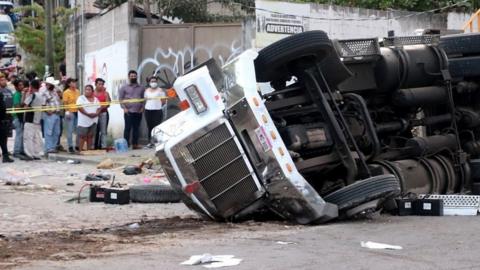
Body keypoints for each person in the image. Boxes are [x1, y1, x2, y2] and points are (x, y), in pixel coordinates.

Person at [118, 70, 145, 149]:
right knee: (127, 128)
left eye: (134, 76)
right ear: (129, 77)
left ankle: (135, 144)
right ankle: (125, 145)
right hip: (128, 111)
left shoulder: (141, 87)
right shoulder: (124, 87)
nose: (133, 77)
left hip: (138, 111)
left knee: (136, 128)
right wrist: (124, 108)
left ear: (136, 77)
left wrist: (142, 107)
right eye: (131, 76)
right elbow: (120, 99)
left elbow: (144, 98)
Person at [23, 80, 44, 160]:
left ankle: (29, 154)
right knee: (36, 138)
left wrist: (26, 93)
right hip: (37, 119)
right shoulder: (41, 95)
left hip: (30, 119)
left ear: (31, 86)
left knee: (28, 137)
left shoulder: (32, 95)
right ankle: (36, 153)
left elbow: (25, 105)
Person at [76, 85, 101, 151]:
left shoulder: (96, 99)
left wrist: (96, 113)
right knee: (82, 136)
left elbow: (99, 108)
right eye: (86, 89)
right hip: (84, 121)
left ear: (92, 91)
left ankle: (88, 150)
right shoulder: (81, 98)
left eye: (89, 89)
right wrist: (87, 114)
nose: (87, 91)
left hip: (93, 120)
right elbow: (79, 107)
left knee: (90, 136)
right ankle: (80, 150)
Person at [143, 76, 166, 148]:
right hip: (148, 110)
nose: (153, 83)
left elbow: (163, 101)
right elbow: (145, 100)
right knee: (150, 126)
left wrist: (157, 105)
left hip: (157, 110)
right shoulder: (146, 91)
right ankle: (150, 142)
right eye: (152, 81)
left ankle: (157, 142)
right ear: (149, 82)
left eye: (155, 81)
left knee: (157, 127)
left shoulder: (160, 90)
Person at [41, 77, 61, 154]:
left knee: (57, 132)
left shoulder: (55, 92)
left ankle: (53, 146)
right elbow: (43, 105)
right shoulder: (44, 93)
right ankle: (49, 147)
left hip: (57, 113)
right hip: (50, 114)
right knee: (49, 131)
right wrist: (47, 111)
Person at [11, 79, 30, 160]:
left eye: (22, 85)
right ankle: (16, 151)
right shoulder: (16, 95)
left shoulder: (21, 93)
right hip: (17, 117)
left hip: (21, 117)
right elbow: (18, 107)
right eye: (20, 85)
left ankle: (21, 150)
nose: (22, 86)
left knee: (21, 134)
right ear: (16, 87)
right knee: (19, 135)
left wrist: (24, 94)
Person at [63, 78, 80, 153]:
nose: (74, 84)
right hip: (70, 112)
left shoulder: (77, 91)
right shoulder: (66, 92)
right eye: (73, 82)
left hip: (77, 112)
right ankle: (70, 146)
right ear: (69, 84)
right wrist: (67, 112)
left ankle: (77, 145)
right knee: (69, 130)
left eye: (75, 82)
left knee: (78, 130)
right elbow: (65, 103)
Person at [0, 90, 13, 163]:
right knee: (3, 141)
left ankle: (5, 156)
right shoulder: (2, 104)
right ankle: (5, 156)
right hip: (1, 124)